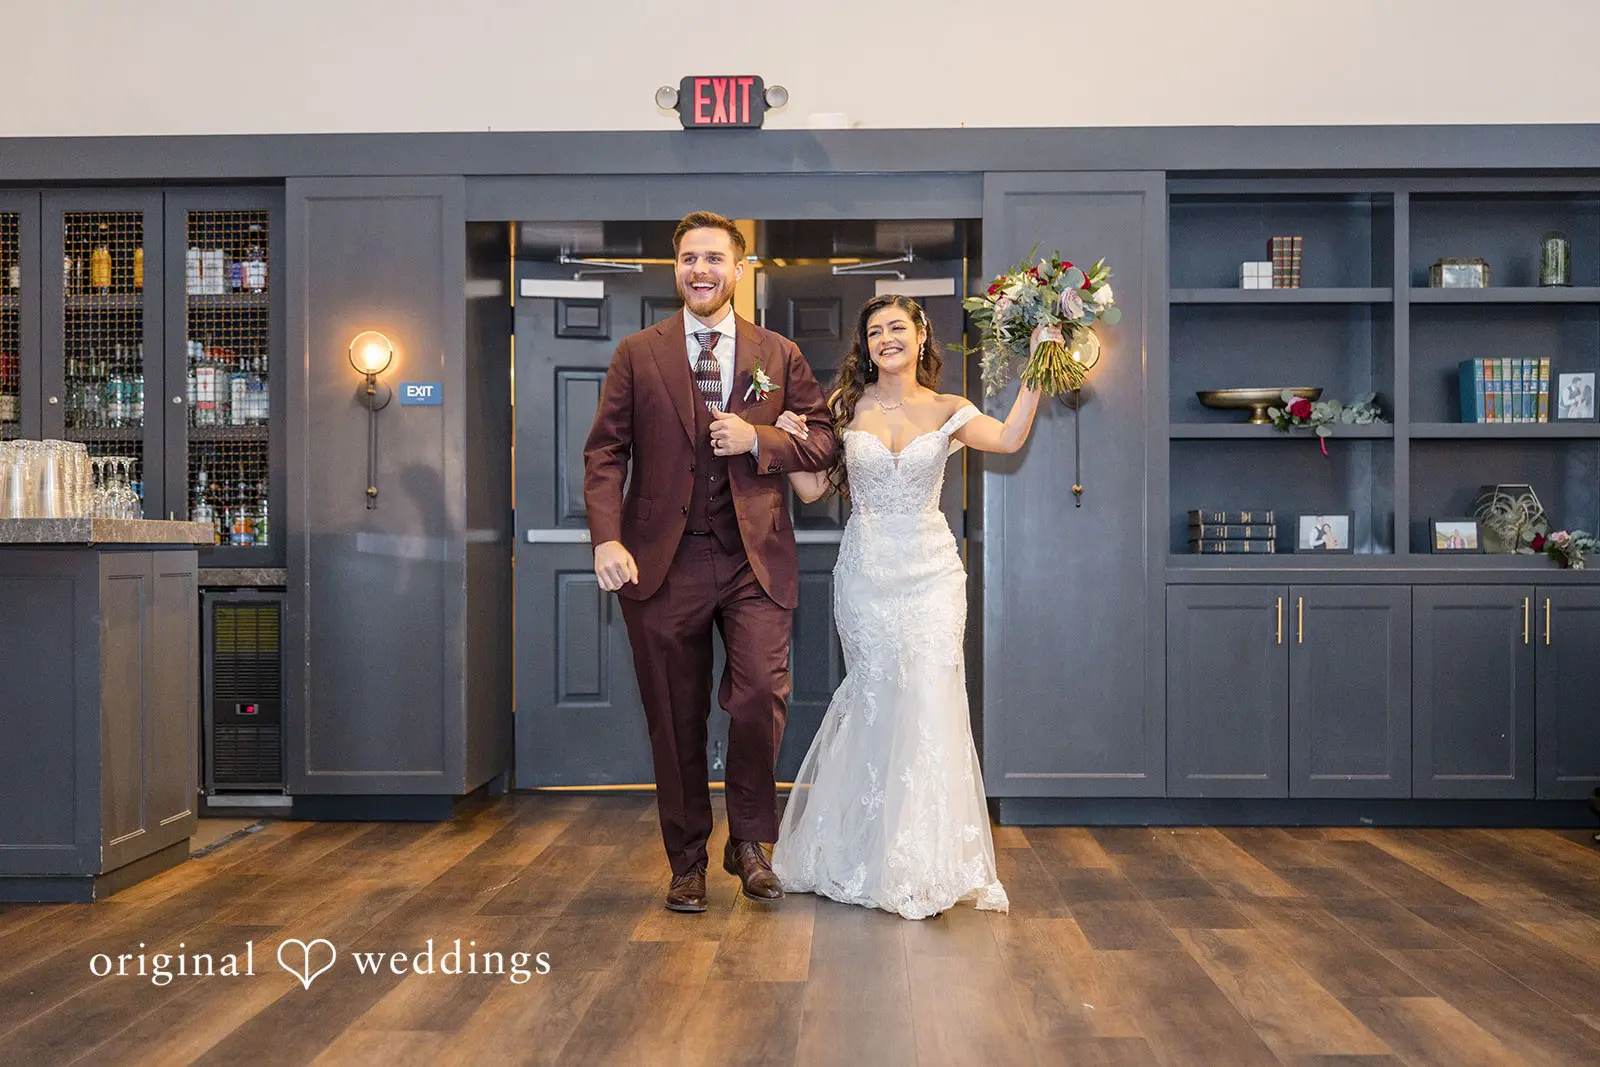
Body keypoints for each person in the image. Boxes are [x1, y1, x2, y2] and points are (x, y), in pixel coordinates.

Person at [583, 211, 838, 913]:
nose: (701, 269)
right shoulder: (640, 352)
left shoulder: (776, 353)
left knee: (759, 698)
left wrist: (758, 438)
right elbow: (605, 452)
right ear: (676, 269)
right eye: (689, 258)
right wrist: (608, 537)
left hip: (754, 560)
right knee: (675, 715)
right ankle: (688, 860)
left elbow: (822, 442)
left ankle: (750, 842)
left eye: (715, 258)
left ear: (738, 268)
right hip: (661, 564)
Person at [764, 294, 1043, 920]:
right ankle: (861, 852)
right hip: (865, 572)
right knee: (877, 697)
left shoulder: (949, 409)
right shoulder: (843, 408)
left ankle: (923, 861)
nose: (885, 338)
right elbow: (811, 489)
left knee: (927, 696)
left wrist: (1037, 371)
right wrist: (787, 444)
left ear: (921, 336)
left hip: (931, 574)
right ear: (865, 346)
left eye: (897, 327)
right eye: (874, 331)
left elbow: (1008, 438)